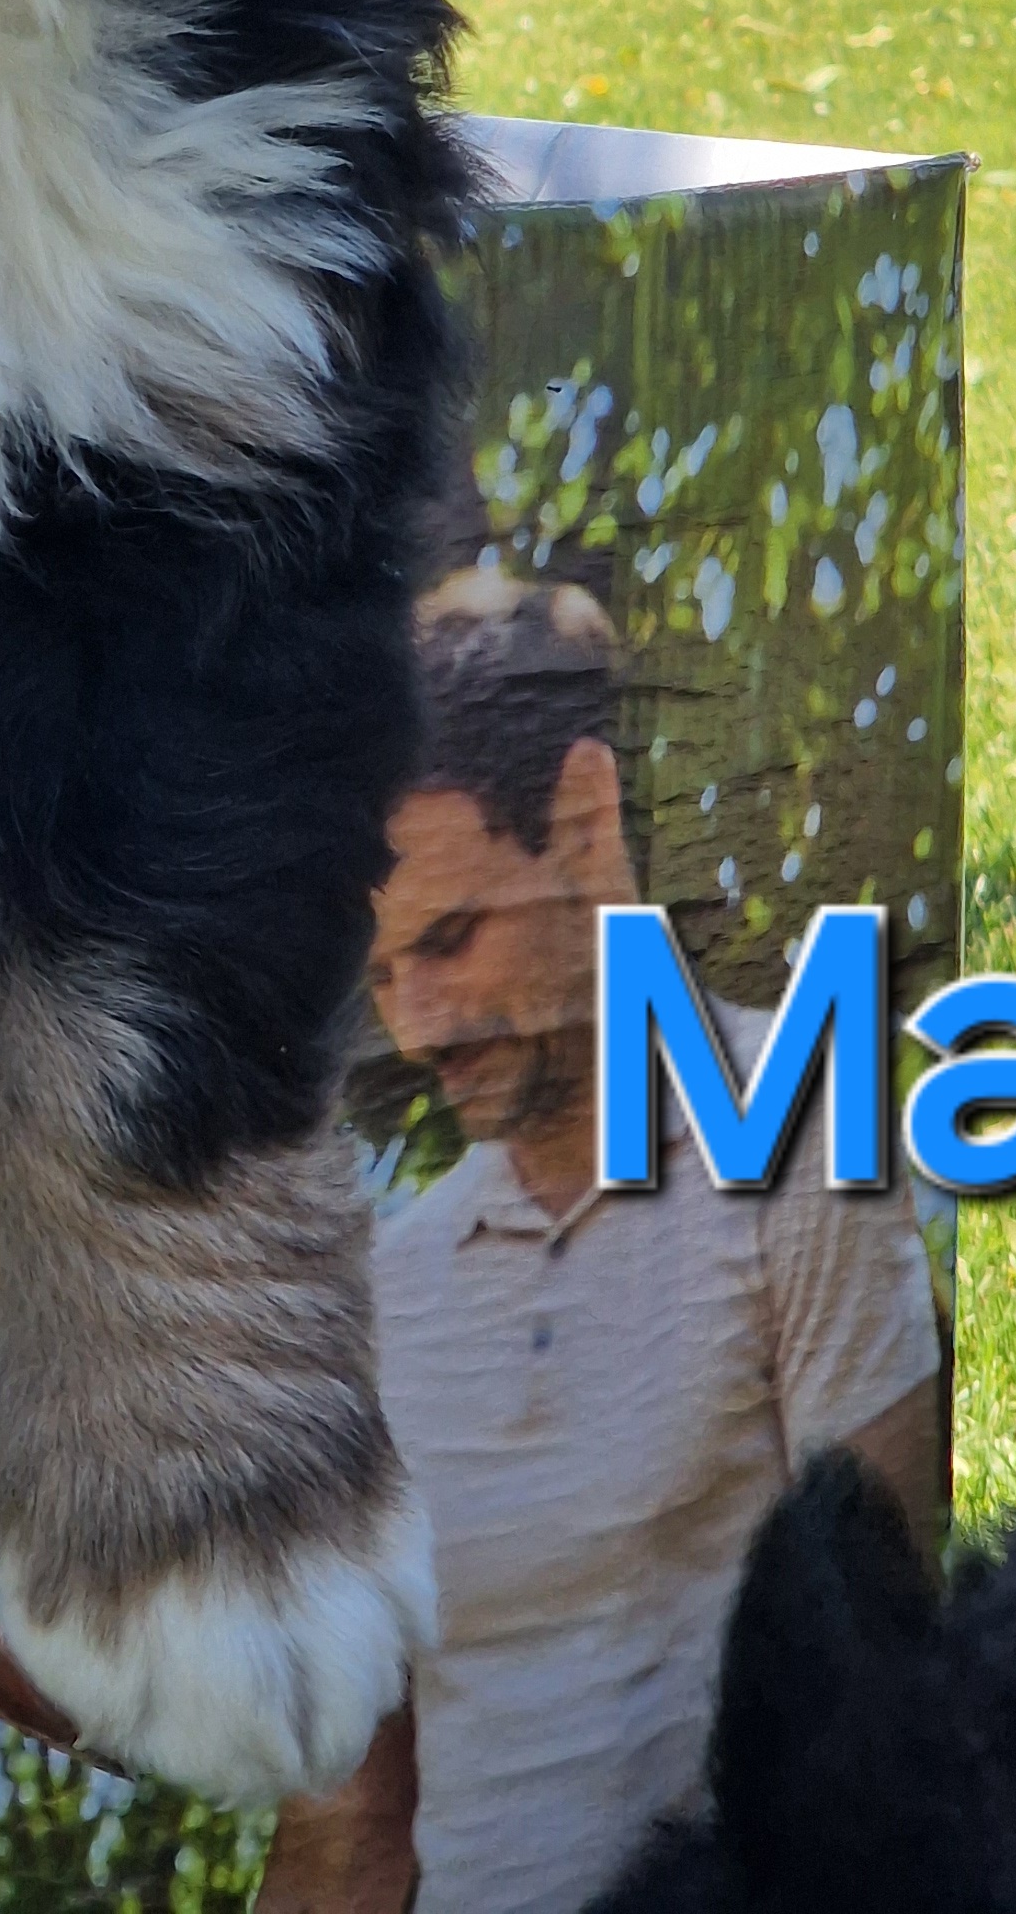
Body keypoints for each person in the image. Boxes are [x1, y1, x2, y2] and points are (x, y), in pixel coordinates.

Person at [260, 580, 946, 1914]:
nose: (420, 1027)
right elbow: (355, 1823)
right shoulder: (389, 1293)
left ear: (584, 817)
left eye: (452, 941)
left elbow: (883, 1716)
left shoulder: (803, 1142)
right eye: (385, 975)